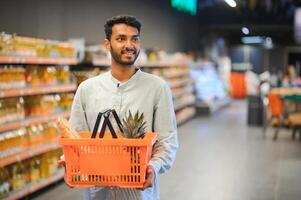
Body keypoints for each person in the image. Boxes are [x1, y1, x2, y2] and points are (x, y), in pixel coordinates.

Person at [68, 15, 178, 200]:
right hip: (98, 193)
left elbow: (167, 141)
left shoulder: (157, 88)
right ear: (107, 44)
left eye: (134, 39)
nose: (129, 45)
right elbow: (76, 139)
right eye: (121, 39)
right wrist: (69, 162)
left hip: (139, 194)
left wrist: (154, 166)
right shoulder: (87, 89)